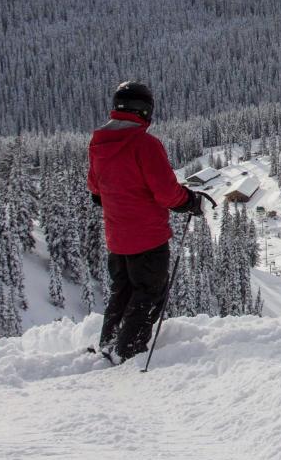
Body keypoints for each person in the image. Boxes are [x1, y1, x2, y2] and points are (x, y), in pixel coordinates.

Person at [88, 81, 206, 364]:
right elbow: (166, 193)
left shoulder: (99, 143)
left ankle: (109, 345)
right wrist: (189, 201)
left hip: (117, 240)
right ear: (145, 111)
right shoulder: (145, 144)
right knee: (149, 295)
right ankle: (128, 354)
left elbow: (95, 191)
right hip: (149, 240)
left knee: (123, 291)